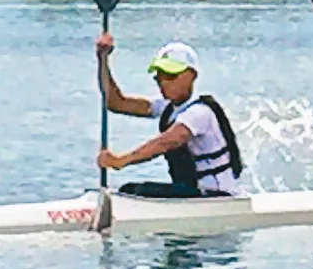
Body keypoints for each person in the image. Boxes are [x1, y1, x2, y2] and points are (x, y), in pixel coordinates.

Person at [95, 35, 243, 197]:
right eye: (159, 76)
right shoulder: (166, 107)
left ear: (192, 76)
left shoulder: (200, 113)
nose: (163, 82)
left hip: (218, 194)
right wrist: (103, 59)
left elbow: (166, 142)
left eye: (171, 76)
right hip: (194, 192)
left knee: (137, 191)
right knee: (130, 189)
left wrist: (120, 161)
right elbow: (116, 103)